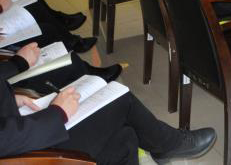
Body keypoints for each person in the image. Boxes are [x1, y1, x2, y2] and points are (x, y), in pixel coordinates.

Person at [1, 58, 216, 163]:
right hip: (21, 153)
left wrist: (10, 99)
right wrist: (58, 113)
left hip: (18, 130)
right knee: (121, 101)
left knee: (125, 137)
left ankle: (165, 144)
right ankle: (168, 144)